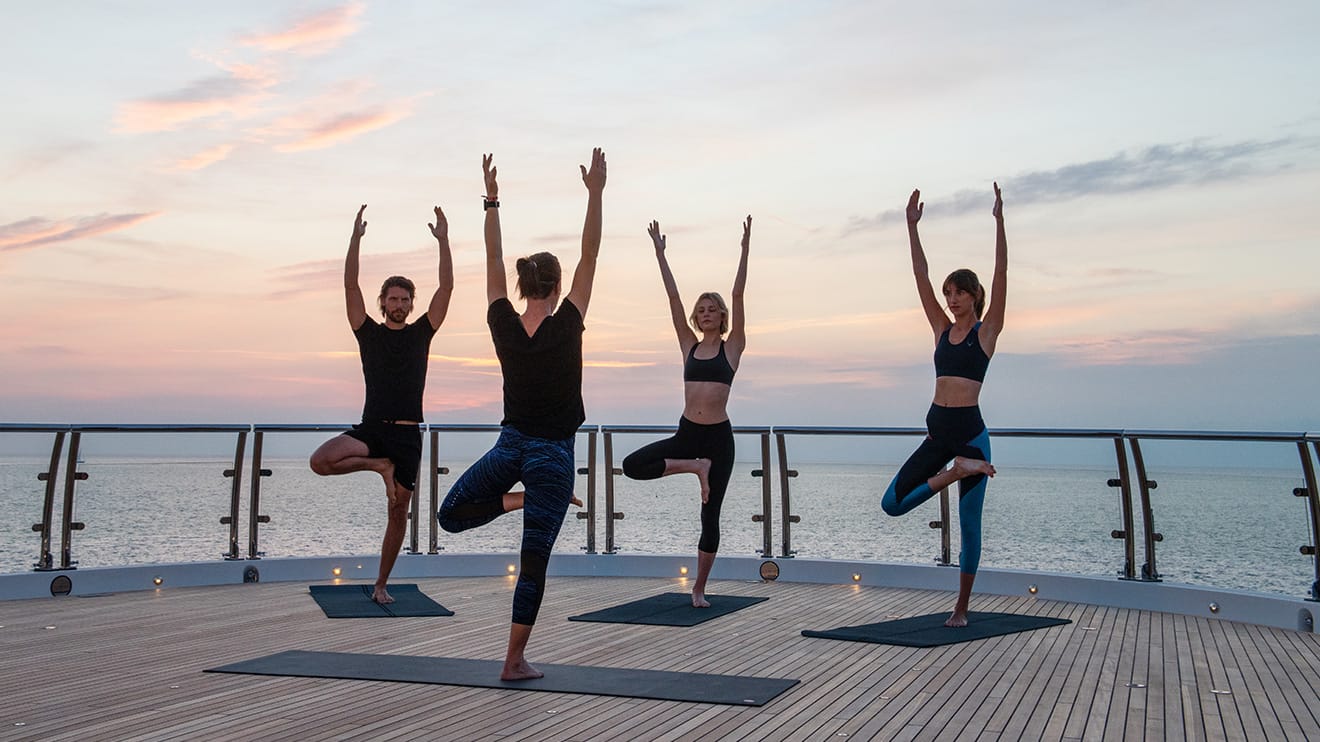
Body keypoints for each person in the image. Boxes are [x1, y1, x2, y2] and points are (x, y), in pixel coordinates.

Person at [438, 148, 606, 680]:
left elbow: (491, 261)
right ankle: (513, 660)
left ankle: (518, 501)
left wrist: (491, 200)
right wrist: (596, 193)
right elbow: (591, 254)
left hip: (510, 446)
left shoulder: (502, 321)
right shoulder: (568, 321)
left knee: (451, 515)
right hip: (552, 455)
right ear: (556, 288)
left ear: (521, 287)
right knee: (534, 561)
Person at [309, 204, 454, 604]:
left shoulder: (422, 332)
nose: (400, 303)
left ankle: (381, 584)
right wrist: (354, 240)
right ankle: (379, 467)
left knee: (397, 513)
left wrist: (444, 241)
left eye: (405, 298)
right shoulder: (367, 333)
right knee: (320, 461)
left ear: (410, 303)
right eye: (393, 298)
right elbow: (350, 287)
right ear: (383, 302)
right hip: (372, 429)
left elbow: (447, 290)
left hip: (408, 436)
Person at [881, 184, 1006, 628]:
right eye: (948, 294)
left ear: (974, 296)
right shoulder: (940, 330)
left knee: (970, 526)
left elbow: (1001, 274)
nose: (951, 300)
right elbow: (919, 277)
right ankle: (957, 472)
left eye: (958, 293)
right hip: (939, 439)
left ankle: (961, 608)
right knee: (891, 504)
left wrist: (999, 222)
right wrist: (911, 228)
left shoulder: (986, 334)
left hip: (972, 436)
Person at [621, 216, 750, 608]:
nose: (706, 312)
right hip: (687, 437)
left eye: (713, 309)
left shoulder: (733, 348)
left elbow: (740, 294)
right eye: (702, 309)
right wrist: (661, 254)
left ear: (723, 316)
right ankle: (694, 467)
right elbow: (672, 299)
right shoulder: (688, 345)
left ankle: (699, 588)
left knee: (710, 517)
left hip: (718, 440)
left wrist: (744, 250)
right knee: (632, 465)